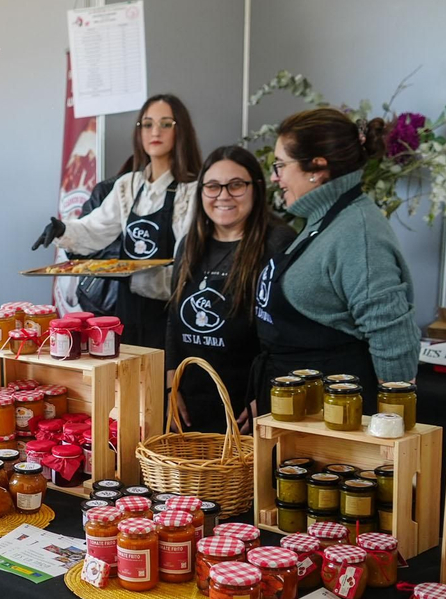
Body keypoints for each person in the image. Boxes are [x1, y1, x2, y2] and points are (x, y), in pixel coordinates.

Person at [251, 107, 419, 411]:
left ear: (317, 167)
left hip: (337, 418)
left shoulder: (359, 231)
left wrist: (390, 426)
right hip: (301, 408)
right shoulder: (320, 219)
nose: (275, 178)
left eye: (281, 165)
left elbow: (393, 336)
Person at [32, 93, 202, 348]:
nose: (155, 131)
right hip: (127, 309)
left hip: (170, 313)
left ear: (181, 131)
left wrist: (134, 277)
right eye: (147, 124)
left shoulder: (192, 190)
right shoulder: (128, 186)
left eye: (166, 124)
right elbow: (94, 230)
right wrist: (63, 229)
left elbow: (186, 264)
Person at [166, 146, 295, 434]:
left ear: (257, 189)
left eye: (236, 185)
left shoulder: (278, 243)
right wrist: (170, 387)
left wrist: (268, 397)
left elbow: (288, 336)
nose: (223, 195)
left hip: (248, 405)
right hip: (191, 401)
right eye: (212, 186)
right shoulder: (190, 243)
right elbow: (175, 318)